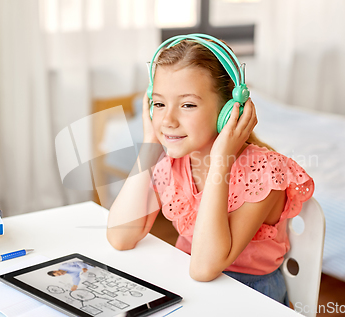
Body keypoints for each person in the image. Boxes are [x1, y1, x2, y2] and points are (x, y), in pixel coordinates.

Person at [106, 34, 314, 306]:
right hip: (188, 287)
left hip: (249, 297)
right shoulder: (172, 163)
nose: (167, 120)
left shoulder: (263, 172)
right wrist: (149, 145)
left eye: (188, 105)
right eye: (158, 103)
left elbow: (205, 268)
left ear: (228, 111)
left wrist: (221, 160)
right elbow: (120, 237)